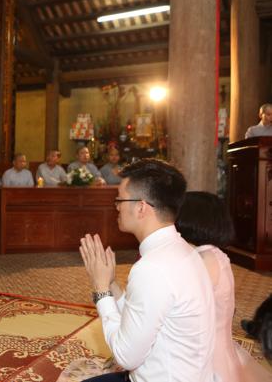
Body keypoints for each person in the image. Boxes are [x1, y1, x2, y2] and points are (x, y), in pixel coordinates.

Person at [79, 159, 216, 382]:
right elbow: (141, 316)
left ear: (141, 207)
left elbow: (125, 356)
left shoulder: (152, 268)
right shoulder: (185, 251)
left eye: (119, 199)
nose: (116, 206)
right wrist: (112, 283)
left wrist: (101, 290)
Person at [176, 192, 272, 382]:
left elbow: (185, 312)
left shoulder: (204, 262)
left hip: (206, 353)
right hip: (218, 341)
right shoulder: (213, 253)